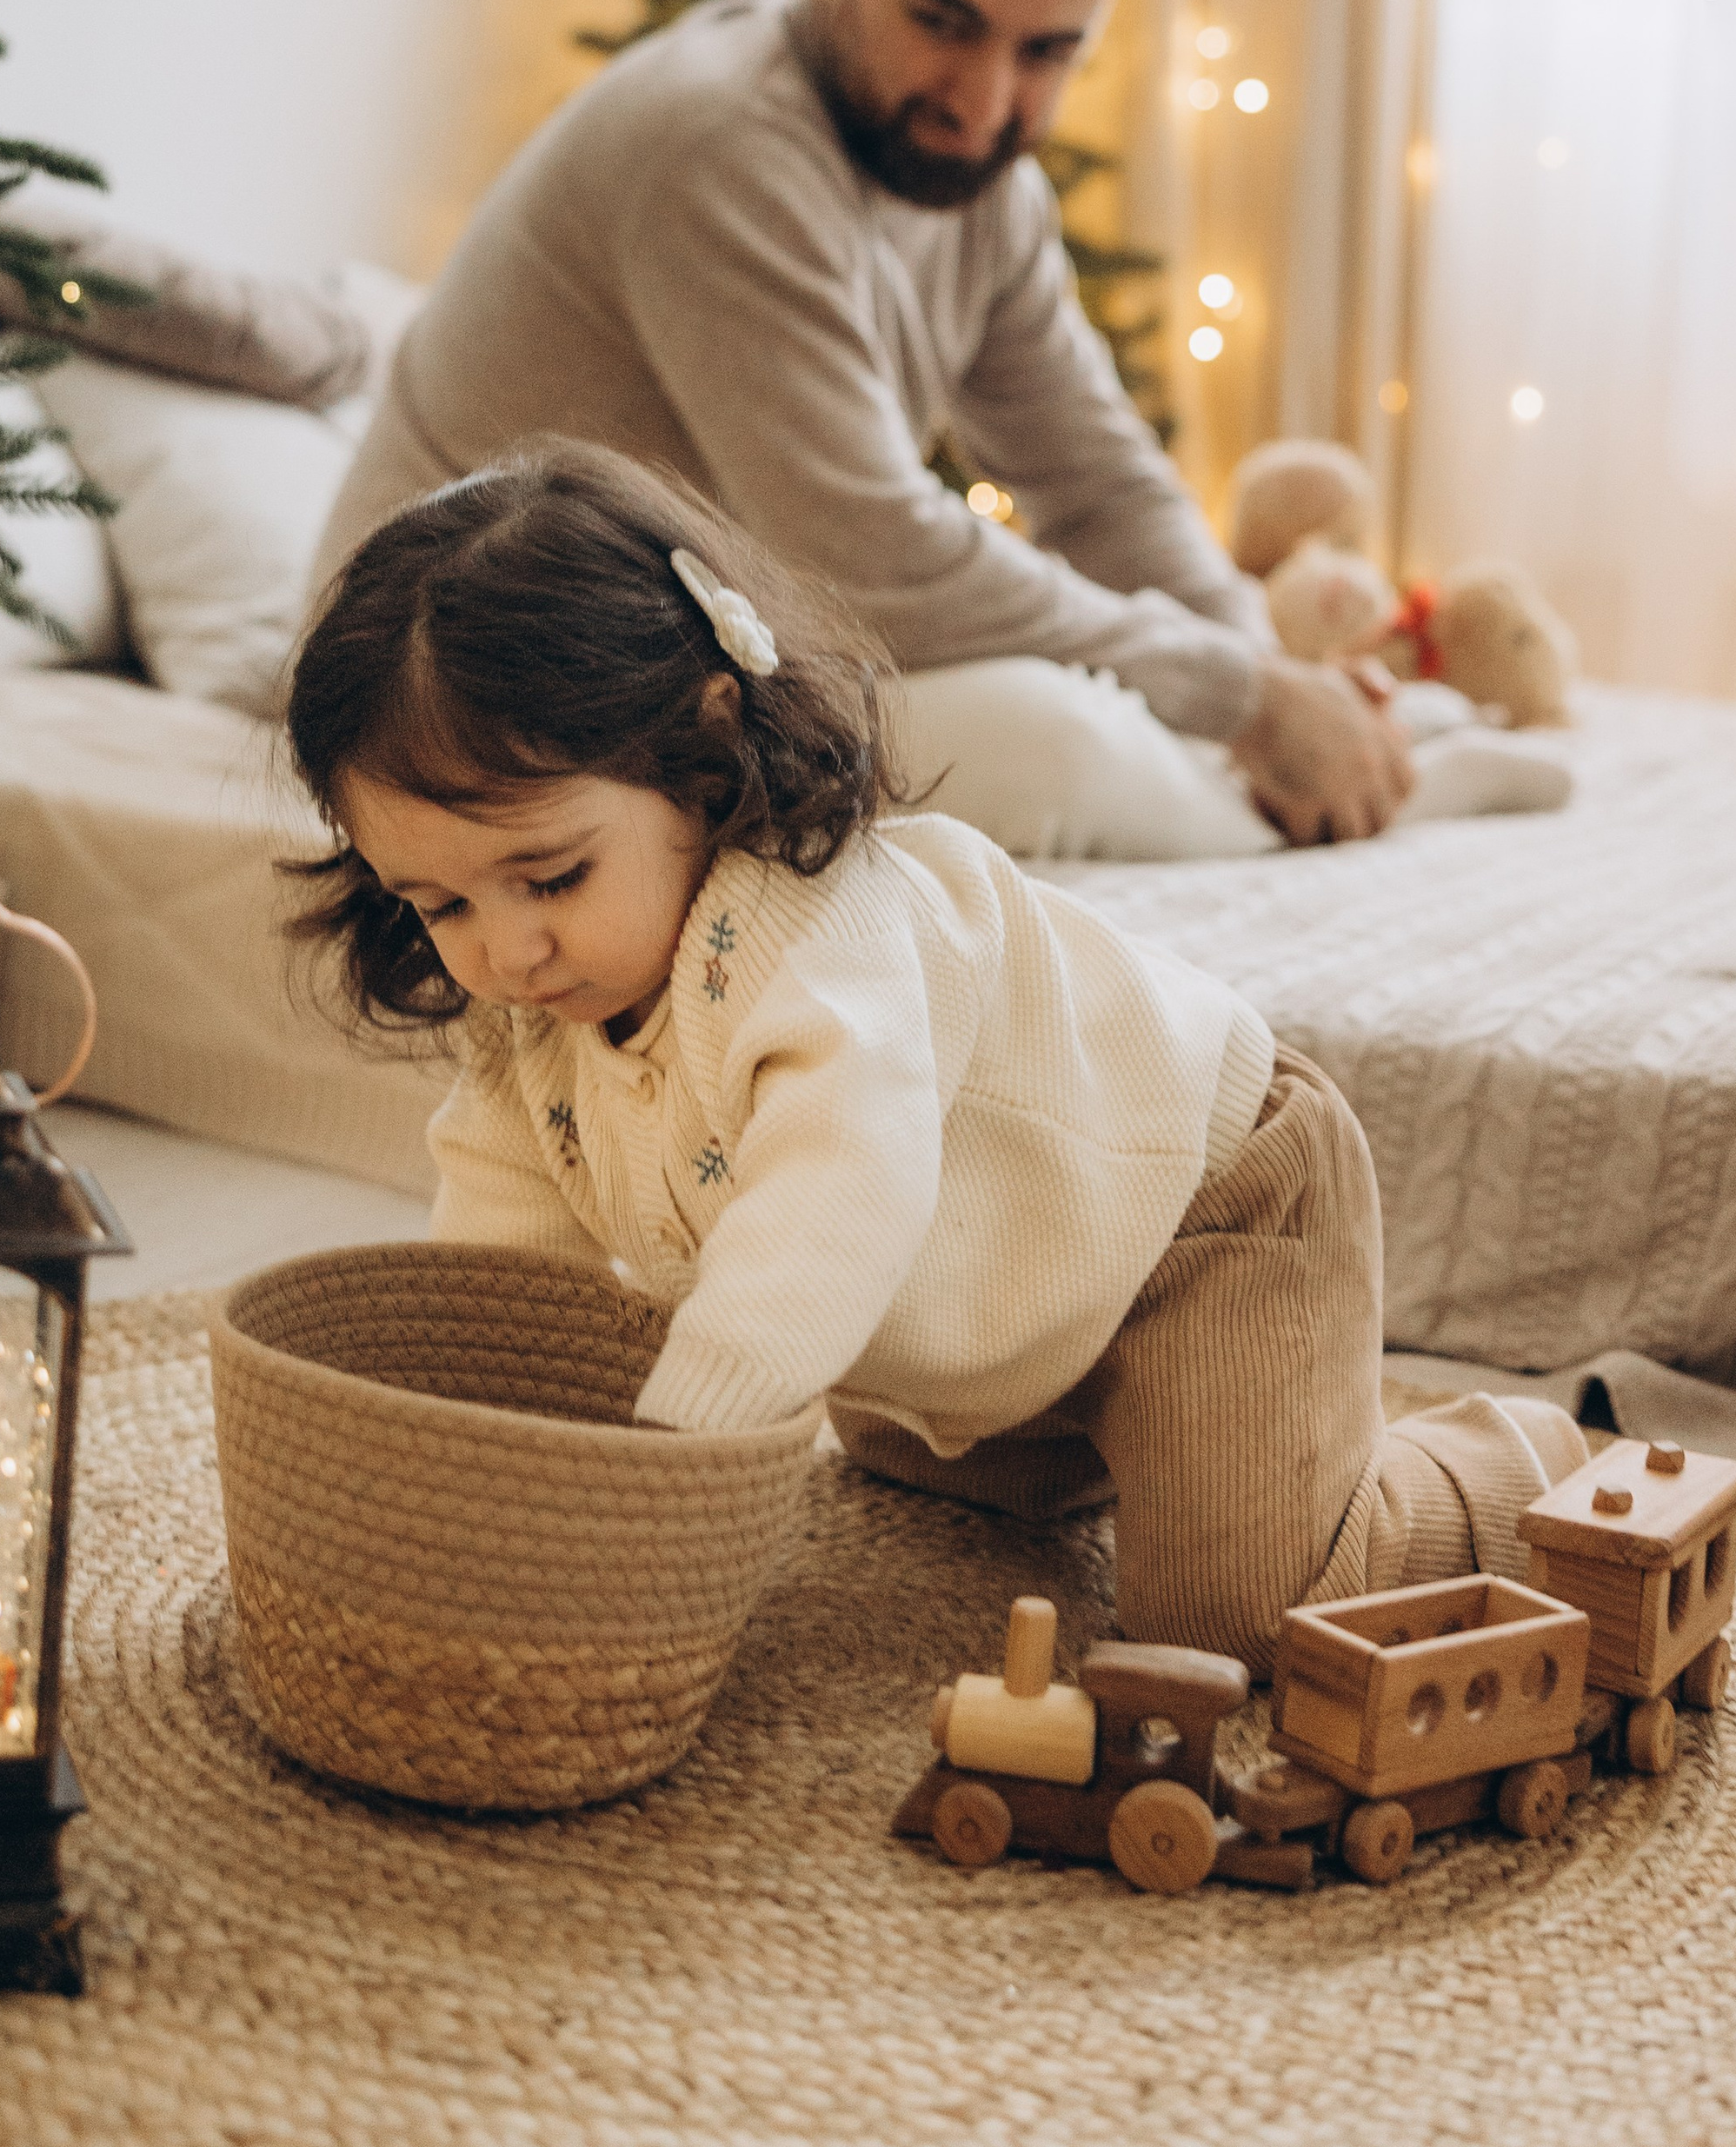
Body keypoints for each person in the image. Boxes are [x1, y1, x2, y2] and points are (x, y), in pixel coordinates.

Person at [284, 438, 1586, 1675]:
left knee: (1236, 1624)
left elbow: (831, 1201)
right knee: (920, 1470)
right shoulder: (535, 1006)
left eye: (550, 874)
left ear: (704, 745)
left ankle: (1508, 1464)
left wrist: (664, 1471)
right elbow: (504, 1251)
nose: (506, 951)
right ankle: (1140, 1425)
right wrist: (484, 1445)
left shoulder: (814, 923)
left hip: (1209, 1217)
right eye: (438, 905)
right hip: (1017, 1297)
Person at [316, 0, 1558, 861]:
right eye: (942, 22)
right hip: (451, 670)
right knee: (1046, 735)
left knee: (1087, 700)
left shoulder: (979, 184)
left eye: (1046, 51)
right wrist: (1247, 697)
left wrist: (1265, 663)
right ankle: (1384, 786)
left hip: (673, 645)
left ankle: (1359, 755)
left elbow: (1099, 483)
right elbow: (878, 560)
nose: (982, 99)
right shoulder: (719, 145)